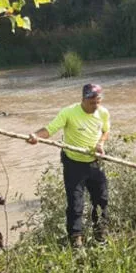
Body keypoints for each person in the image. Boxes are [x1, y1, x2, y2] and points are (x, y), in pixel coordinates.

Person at [27, 83, 110, 248]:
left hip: (94, 162)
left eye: (98, 102)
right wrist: (36, 136)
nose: (95, 106)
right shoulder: (69, 112)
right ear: (83, 100)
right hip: (73, 164)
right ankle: (76, 238)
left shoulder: (103, 113)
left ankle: (100, 234)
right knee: (75, 202)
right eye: (92, 102)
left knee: (101, 199)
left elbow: (106, 131)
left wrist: (100, 143)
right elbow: (50, 129)